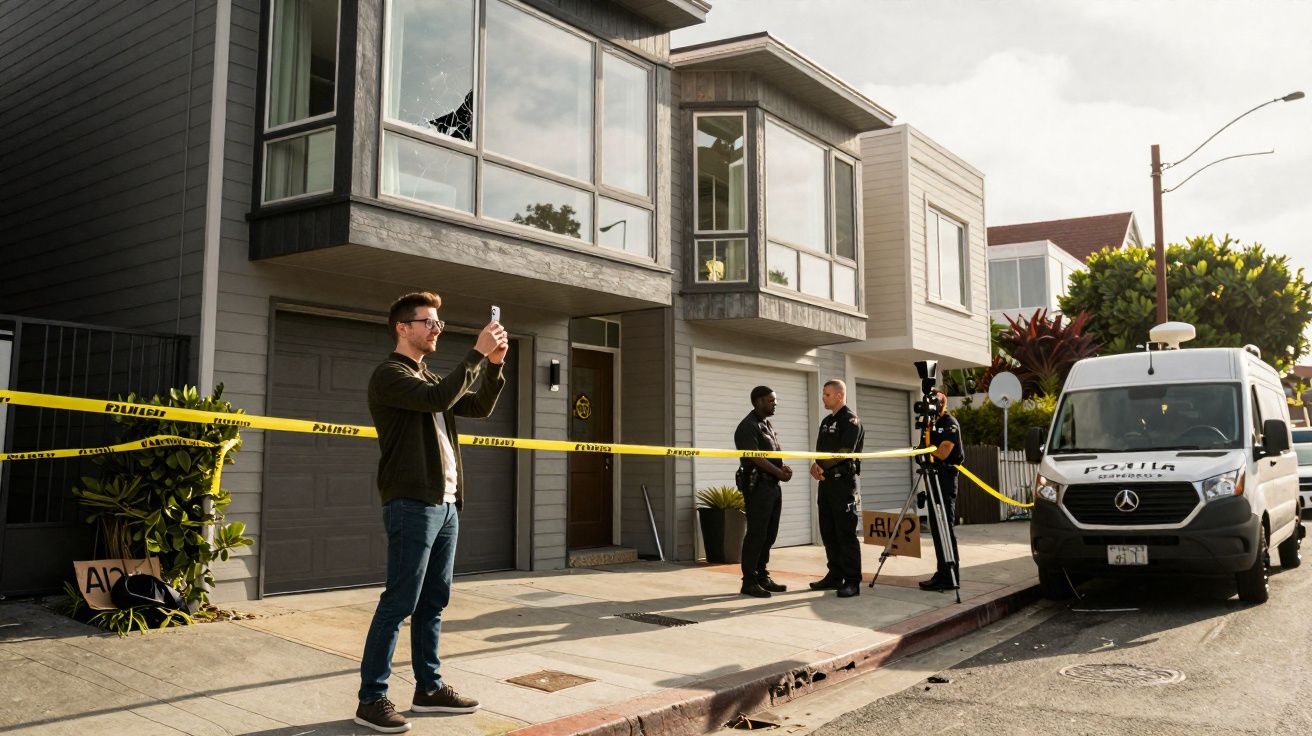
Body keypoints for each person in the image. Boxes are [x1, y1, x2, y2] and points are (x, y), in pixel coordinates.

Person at [355, 291, 508, 734]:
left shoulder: (429, 376)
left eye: (439, 323)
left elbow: (477, 405)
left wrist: (495, 364)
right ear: (403, 327)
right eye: (430, 322)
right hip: (412, 503)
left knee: (433, 601)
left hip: (445, 504)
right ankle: (371, 698)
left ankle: (429, 688)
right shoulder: (390, 375)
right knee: (399, 601)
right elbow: (440, 397)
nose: (437, 329)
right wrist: (477, 353)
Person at [733, 385, 793, 598]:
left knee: (769, 534)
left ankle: (761, 575)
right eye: (770, 400)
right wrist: (778, 472)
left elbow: (772, 453)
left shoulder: (766, 424)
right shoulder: (747, 427)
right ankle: (748, 581)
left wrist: (783, 469)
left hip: (772, 486)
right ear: (758, 402)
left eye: (774, 400)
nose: (775, 403)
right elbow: (755, 458)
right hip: (757, 487)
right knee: (757, 534)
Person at [808, 380, 865, 598]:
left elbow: (844, 451)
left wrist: (821, 465)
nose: (823, 397)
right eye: (823, 394)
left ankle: (852, 580)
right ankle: (835, 575)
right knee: (828, 532)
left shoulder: (851, 420)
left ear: (839, 396)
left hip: (843, 484)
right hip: (826, 484)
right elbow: (820, 450)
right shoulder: (826, 421)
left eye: (827, 394)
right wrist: (816, 465)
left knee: (845, 533)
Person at [919, 390, 964, 592]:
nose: (931, 406)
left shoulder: (949, 423)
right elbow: (922, 452)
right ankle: (942, 572)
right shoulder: (929, 426)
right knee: (936, 529)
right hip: (931, 478)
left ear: (943, 404)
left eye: (935, 402)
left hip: (944, 480)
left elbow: (943, 453)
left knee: (945, 527)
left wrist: (926, 450)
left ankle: (952, 575)